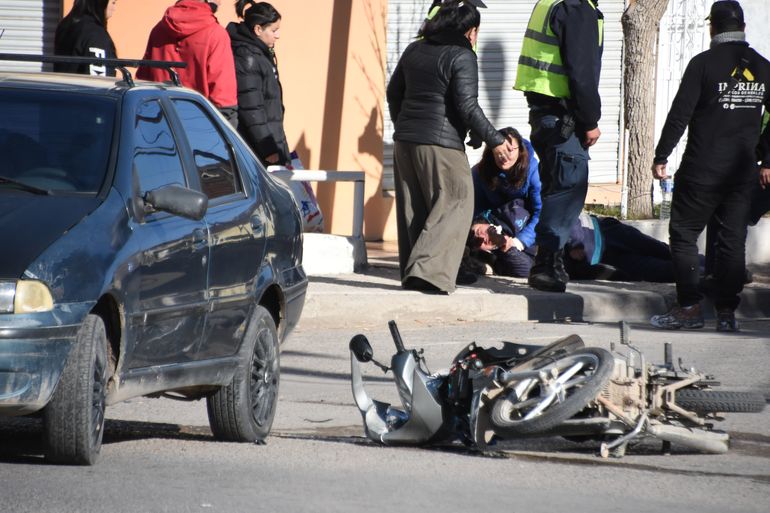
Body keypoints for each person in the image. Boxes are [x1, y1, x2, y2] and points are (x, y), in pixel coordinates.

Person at [650, 1, 770, 332]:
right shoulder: (763, 68)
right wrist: (765, 155)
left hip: (701, 170)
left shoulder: (702, 65)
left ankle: (688, 308)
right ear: (742, 27)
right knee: (732, 240)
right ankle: (727, 313)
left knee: (685, 234)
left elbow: (680, 115)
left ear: (713, 28)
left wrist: (662, 156)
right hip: (740, 174)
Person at [386, 0, 512, 294]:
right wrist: (495, 140)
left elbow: (394, 93)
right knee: (457, 200)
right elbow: (467, 106)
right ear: (470, 31)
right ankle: (428, 272)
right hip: (441, 144)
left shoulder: (415, 49)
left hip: (405, 142)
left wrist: (404, 125)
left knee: (416, 208)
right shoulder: (462, 55)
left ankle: (417, 272)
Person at [514, 0, 604, 294]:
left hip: (545, 115)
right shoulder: (577, 9)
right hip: (563, 117)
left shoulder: (551, 3)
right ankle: (547, 264)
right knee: (567, 190)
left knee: (555, 190)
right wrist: (590, 120)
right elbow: (582, 73)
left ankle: (553, 261)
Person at [136, 0, 238, 127]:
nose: (221, 2)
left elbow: (143, 79)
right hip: (199, 125)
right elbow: (223, 96)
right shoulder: (216, 34)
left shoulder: (158, 29)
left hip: (159, 120)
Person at [468, 127, 541, 277]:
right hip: (495, 225)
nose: (504, 156)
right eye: (499, 152)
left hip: (526, 228)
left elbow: (542, 212)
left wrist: (520, 242)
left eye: (510, 150)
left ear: (520, 149)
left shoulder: (534, 170)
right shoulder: (480, 172)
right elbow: (472, 207)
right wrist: (477, 226)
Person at [227, 1, 290, 167]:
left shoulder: (259, 53)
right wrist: (269, 149)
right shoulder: (247, 57)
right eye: (274, 30)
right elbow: (252, 109)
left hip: (270, 143)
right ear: (258, 29)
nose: (278, 35)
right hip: (259, 151)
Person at [563, 212, 681, 282]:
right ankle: (695, 272)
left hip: (604, 232)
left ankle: (695, 262)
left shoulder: (547, 195)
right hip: (600, 260)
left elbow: (565, 210)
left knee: (663, 251)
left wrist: (575, 242)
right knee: (655, 271)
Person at [54, 0, 118, 77]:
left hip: (62, 86)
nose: (115, 8)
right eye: (113, 2)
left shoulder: (65, 25)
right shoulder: (96, 34)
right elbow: (99, 81)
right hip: (81, 87)